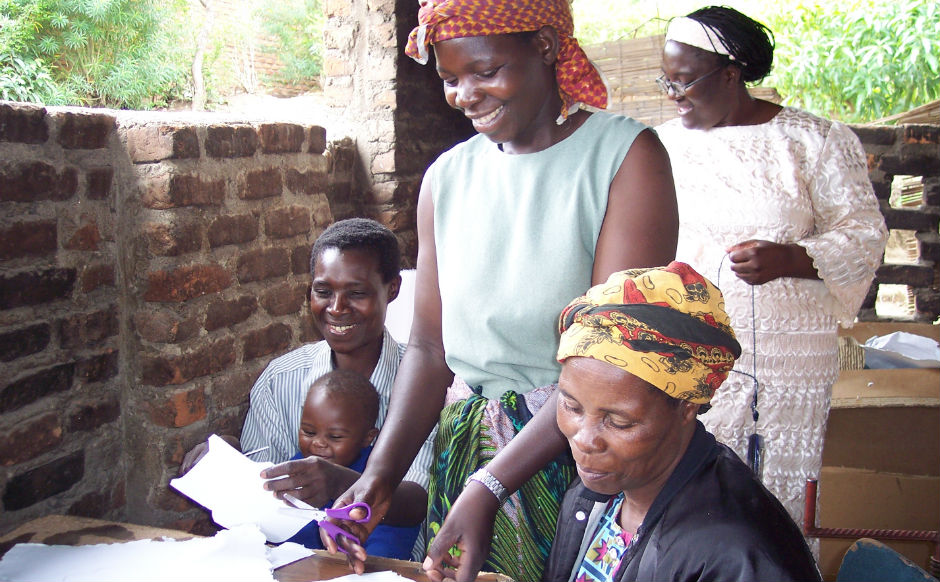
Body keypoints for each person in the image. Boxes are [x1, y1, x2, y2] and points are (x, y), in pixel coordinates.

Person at [290, 1, 679, 579]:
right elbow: (427, 350)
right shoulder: (447, 178)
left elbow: (609, 360)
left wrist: (491, 485)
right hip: (465, 454)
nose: (464, 95)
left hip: (583, 458)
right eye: (450, 79)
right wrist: (378, 481)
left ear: (545, 47)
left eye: (486, 71)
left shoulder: (625, 158)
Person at [654, 6, 887, 532]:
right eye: (666, 81)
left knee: (780, 486)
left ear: (731, 74)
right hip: (691, 347)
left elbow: (863, 233)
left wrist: (792, 257)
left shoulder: (814, 141)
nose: (673, 94)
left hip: (790, 357)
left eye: (685, 81)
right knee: (691, 490)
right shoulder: (661, 146)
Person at [543, 263, 821, 582]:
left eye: (618, 422)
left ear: (687, 405)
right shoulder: (597, 494)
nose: (585, 439)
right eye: (571, 406)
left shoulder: (735, 555)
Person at [179, 218, 435, 557]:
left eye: (356, 293)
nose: (337, 308)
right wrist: (227, 462)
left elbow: (419, 500)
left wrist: (336, 480)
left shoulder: (427, 384)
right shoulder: (280, 380)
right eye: (323, 291)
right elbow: (258, 504)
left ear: (392, 289)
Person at [286, 369, 423, 560]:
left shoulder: (378, 480)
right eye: (309, 432)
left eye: (335, 437)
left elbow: (386, 552)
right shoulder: (299, 467)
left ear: (368, 437)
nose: (318, 443)